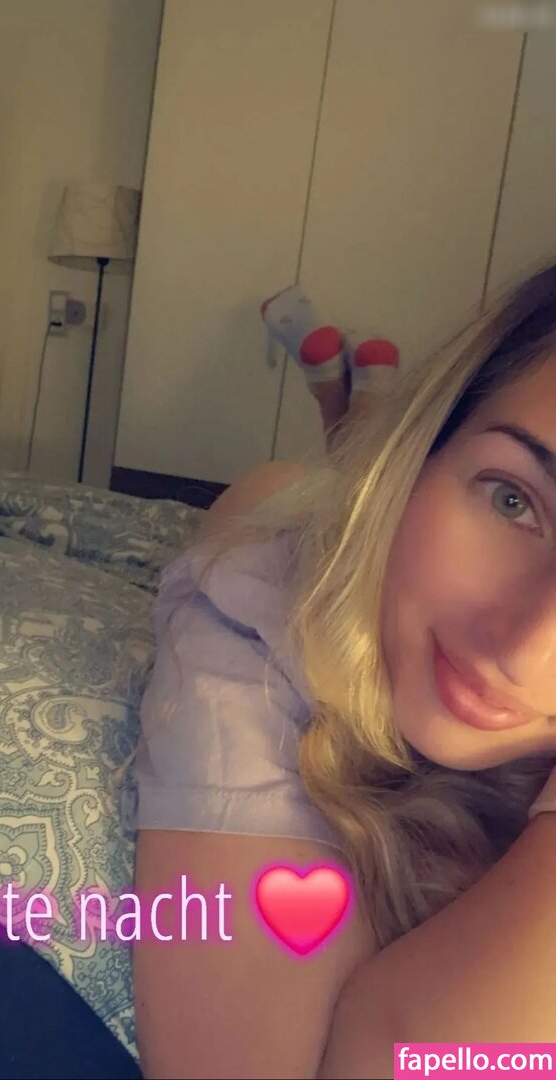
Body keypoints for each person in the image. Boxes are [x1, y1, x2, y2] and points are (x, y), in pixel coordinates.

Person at [131, 263, 556, 1079]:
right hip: (288, 518)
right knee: (282, 492)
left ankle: (352, 412)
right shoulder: (260, 604)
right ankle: (362, 424)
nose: (523, 650)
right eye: (512, 498)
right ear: (428, 449)